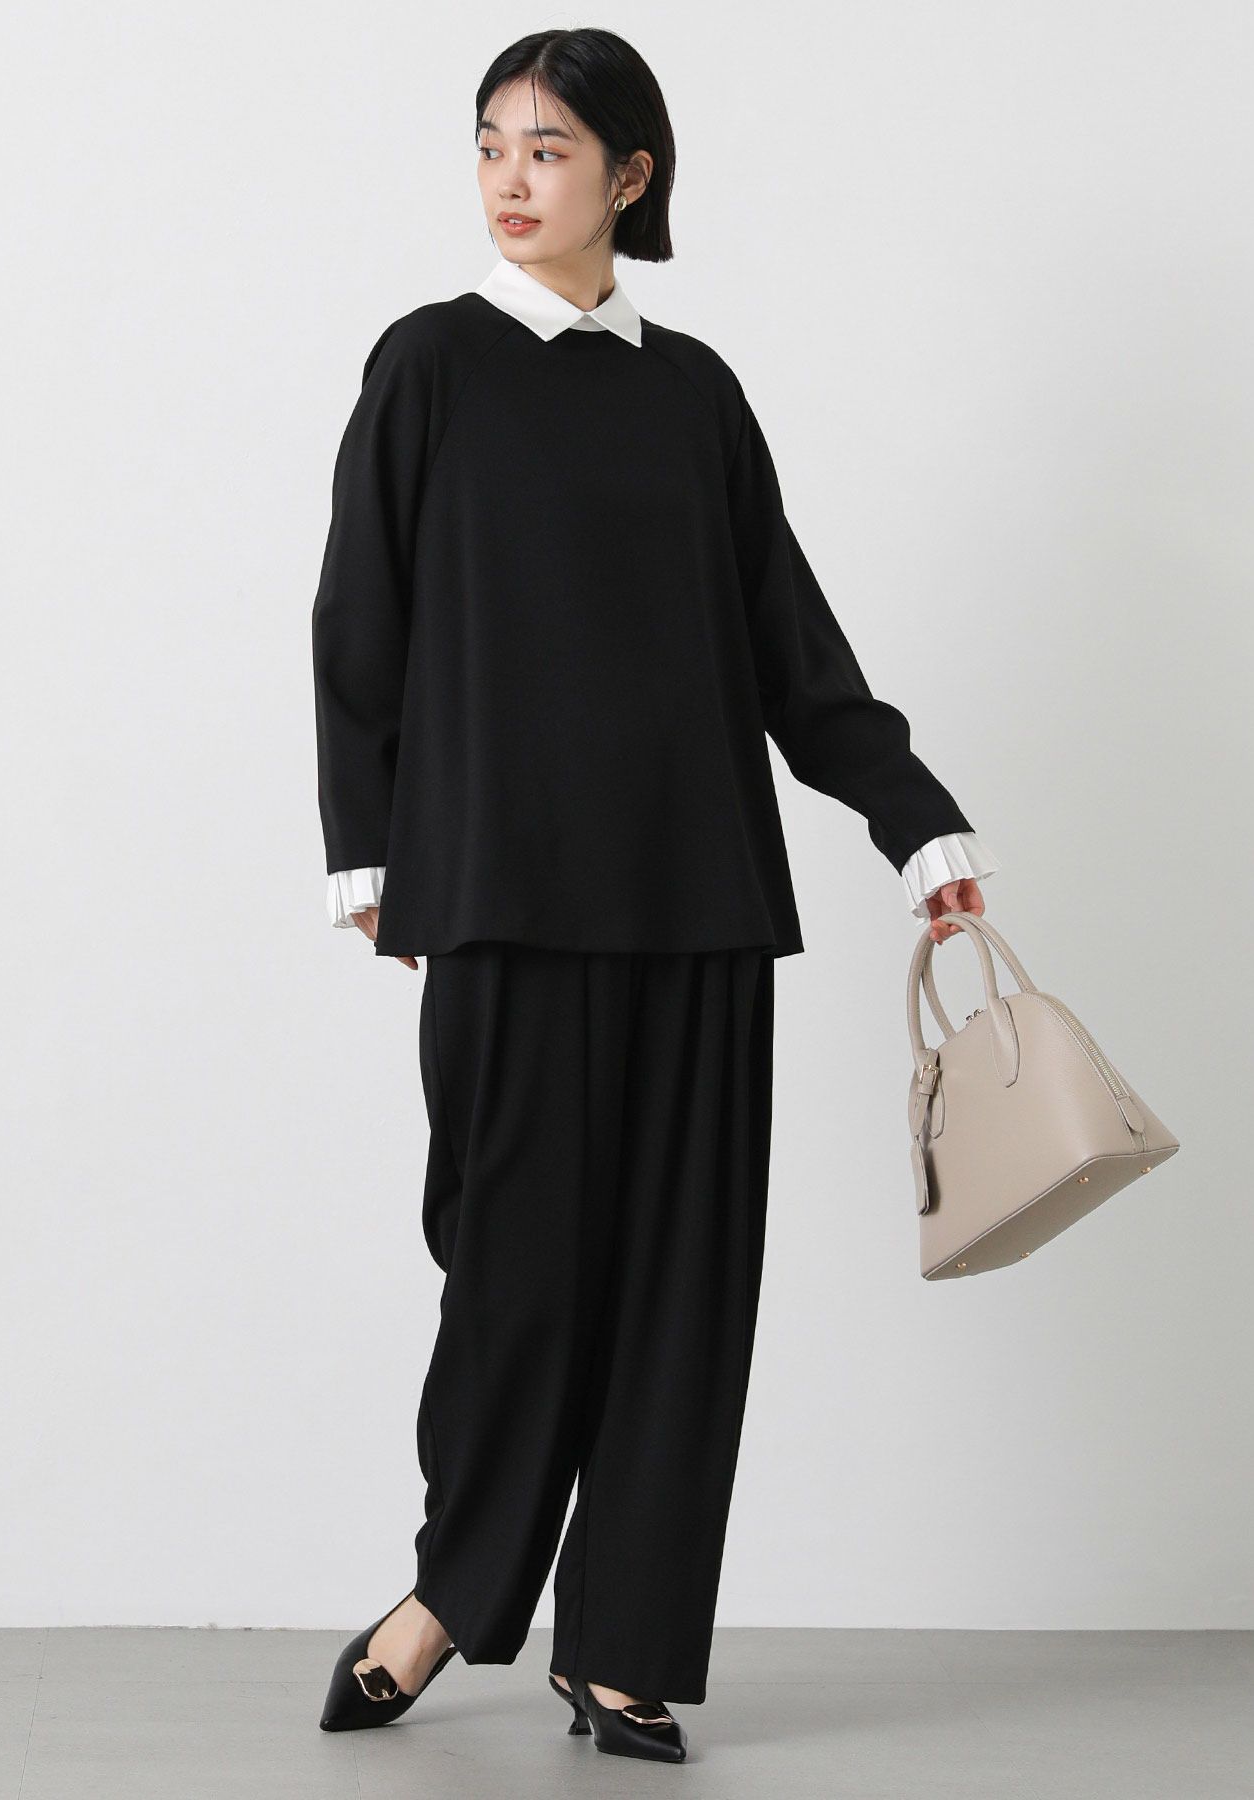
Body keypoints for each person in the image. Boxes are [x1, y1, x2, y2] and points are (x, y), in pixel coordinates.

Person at [310, 28, 996, 1765]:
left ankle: (621, 1644)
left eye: (548, 149)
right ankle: (452, 1591)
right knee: (514, 1269)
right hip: (501, 893)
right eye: (490, 145)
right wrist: (369, 852)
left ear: (631, 174)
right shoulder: (430, 367)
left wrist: (915, 821)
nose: (510, 178)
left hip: (696, 899)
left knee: (684, 1293)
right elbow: (359, 618)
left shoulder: (695, 395)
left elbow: (788, 646)